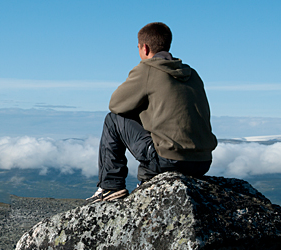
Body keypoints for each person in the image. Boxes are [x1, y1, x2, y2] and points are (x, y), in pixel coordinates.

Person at [88, 22, 218, 202]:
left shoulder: (147, 69)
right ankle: (147, 181)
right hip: (203, 162)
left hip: (168, 161)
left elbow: (116, 104)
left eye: (138, 48)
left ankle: (111, 187)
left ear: (145, 48)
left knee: (113, 119)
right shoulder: (192, 74)